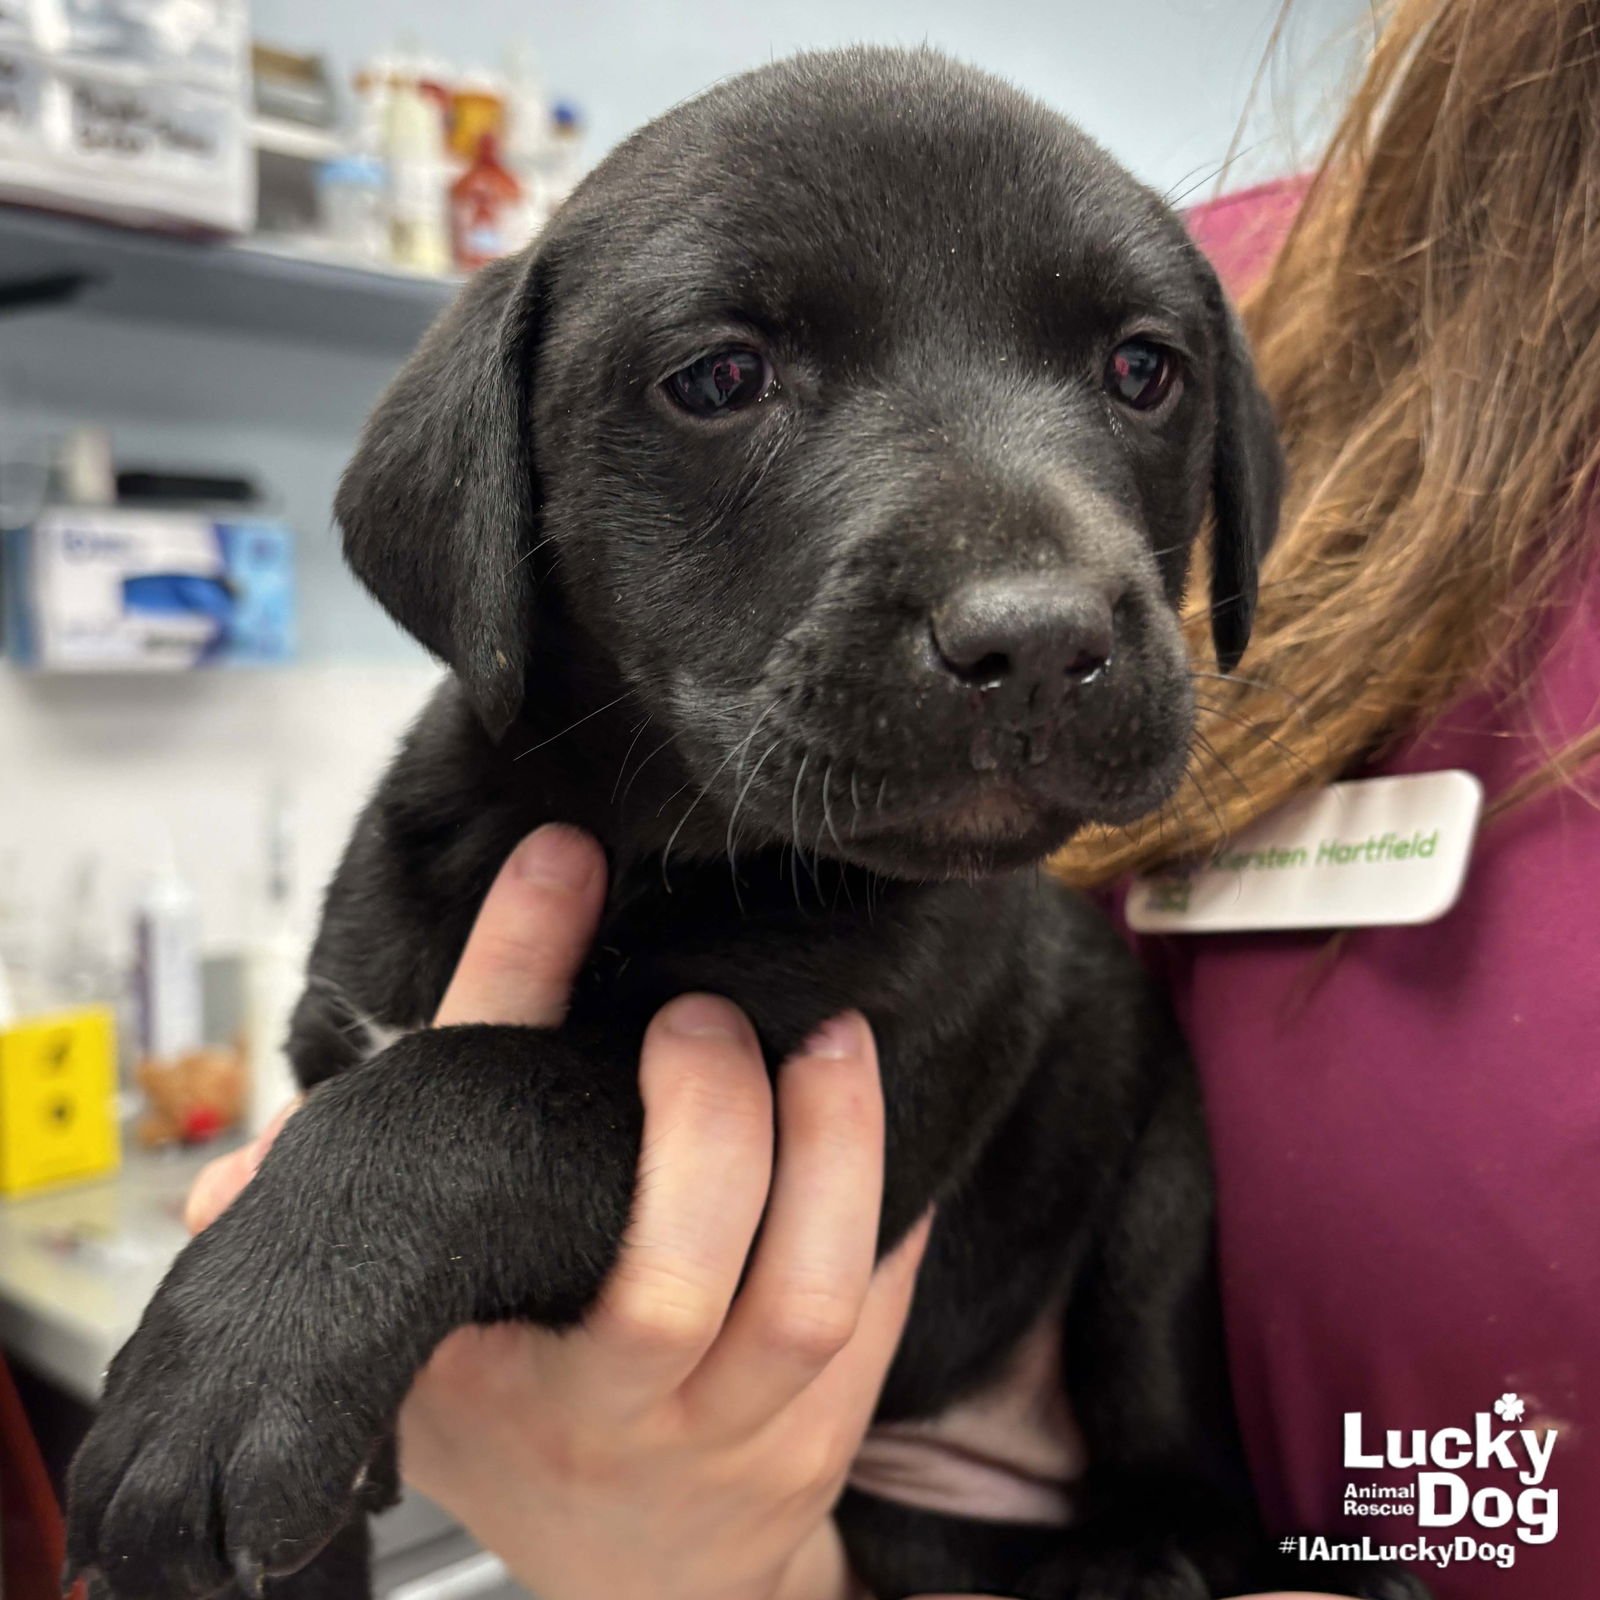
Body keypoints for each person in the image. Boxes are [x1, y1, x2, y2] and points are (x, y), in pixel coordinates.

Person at [189, 0, 1599, 1594]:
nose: (1037, 595)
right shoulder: (1312, 266)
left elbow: (703, 1174)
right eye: (722, 378)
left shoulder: (897, 919)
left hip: (1078, 1450)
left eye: (1139, 376)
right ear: (494, 491)